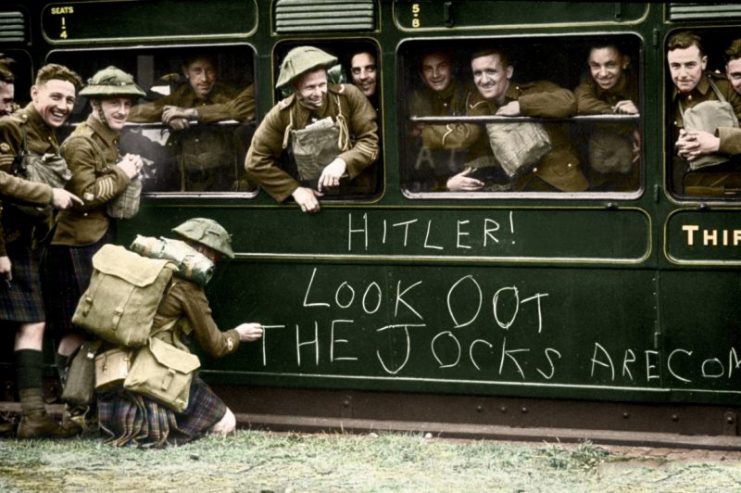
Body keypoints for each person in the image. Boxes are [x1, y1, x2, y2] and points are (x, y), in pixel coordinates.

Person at [97, 217, 264, 447]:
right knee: (227, 423)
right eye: (217, 255)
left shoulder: (145, 265)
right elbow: (215, 345)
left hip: (114, 379)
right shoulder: (188, 286)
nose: (217, 261)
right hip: (157, 376)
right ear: (204, 250)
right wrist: (238, 334)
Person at [43, 66, 145, 409]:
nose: (122, 110)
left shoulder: (105, 138)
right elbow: (84, 196)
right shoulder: (81, 142)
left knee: (92, 324)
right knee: (80, 324)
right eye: (113, 102)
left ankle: (79, 400)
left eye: (127, 103)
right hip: (76, 244)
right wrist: (123, 172)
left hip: (94, 240)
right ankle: (68, 399)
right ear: (96, 105)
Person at [0, 63, 84, 438]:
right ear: (34, 94)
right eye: (55, 96)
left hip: (26, 245)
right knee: (32, 324)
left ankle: (32, 416)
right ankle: (32, 416)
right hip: (8, 243)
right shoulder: (11, 127)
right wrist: (50, 194)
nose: (63, 105)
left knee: (31, 324)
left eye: (69, 99)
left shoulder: (47, 134)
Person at [244, 46, 379, 213]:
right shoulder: (282, 114)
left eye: (322, 84)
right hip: (313, 201)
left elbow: (370, 144)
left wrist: (342, 162)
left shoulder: (349, 97)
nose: (318, 93)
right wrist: (294, 190)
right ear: (295, 87)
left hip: (360, 197)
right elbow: (255, 162)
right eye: (310, 87)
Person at [446, 48, 587, 193]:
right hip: (521, 194)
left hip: (564, 190)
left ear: (508, 72)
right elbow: (480, 156)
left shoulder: (534, 91)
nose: (484, 80)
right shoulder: (481, 110)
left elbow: (569, 102)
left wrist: (522, 105)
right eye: (478, 73)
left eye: (491, 71)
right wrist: (452, 183)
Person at [128, 54, 256, 191]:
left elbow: (239, 111)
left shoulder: (229, 96)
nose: (204, 78)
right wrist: (169, 115)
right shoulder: (181, 96)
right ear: (186, 72)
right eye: (197, 71)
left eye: (209, 71)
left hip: (225, 177)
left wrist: (190, 113)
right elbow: (142, 111)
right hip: (186, 179)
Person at [667, 31, 741, 195]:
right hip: (681, 194)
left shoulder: (726, 88)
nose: (682, 74)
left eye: (690, 65)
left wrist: (717, 143)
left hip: (728, 188)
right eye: (675, 66)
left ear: (704, 62)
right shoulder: (665, 96)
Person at [574, 43, 640, 191]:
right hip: (598, 173)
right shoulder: (588, 80)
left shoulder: (639, 82)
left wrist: (639, 112)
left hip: (636, 175)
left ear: (625, 62)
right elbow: (582, 105)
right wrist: (628, 122)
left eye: (610, 65)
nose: (603, 73)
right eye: (595, 65)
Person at [406, 51, 475, 190]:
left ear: (452, 69)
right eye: (428, 69)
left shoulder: (468, 94)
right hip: (435, 180)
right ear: (422, 76)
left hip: (466, 173)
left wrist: (424, 131)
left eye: (442, 66)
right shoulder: (414, 100)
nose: (435, 74)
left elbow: (466, 136)